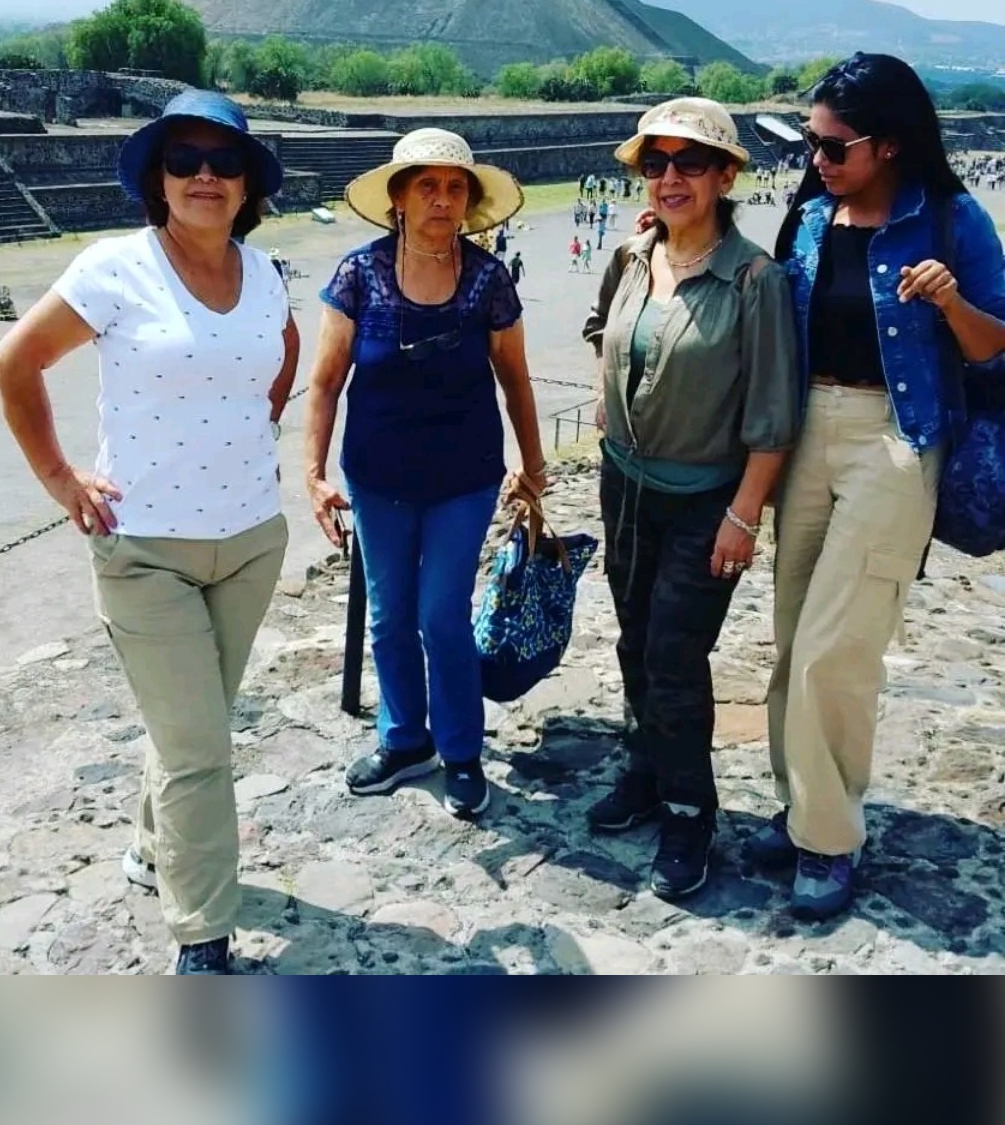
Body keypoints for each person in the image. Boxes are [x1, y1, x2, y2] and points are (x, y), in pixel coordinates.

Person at [0, 89, 299, 975]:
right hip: (146, 550)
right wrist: (62, 479)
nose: (204, 175)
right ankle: (203, 935)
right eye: (183, 159)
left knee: (192, 727)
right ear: (157, 179)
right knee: (202, 748)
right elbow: (15, 362)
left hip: (251, 541)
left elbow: (281, 355)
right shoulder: (114, 268)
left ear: (247, 184)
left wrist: (253, 431)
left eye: (224, 161)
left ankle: (150, 846)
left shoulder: (263, 273)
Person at [757, 53, 1005, 919]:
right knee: (793, 634)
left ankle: (829, 839)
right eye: (811, 143)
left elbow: (995, 347)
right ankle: (799, 804)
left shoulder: (950, 220)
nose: (817, 160)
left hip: (896, 439)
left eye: (835, 146)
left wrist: (949, 304)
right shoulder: (810, 218)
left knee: (839, 645)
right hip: (806, 435)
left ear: (890, 144)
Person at [583, 98, 799, 900]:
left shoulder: (754, 280)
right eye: (656, 163)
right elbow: (603, 330)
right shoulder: (632, 256)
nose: (670, 177)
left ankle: (688, 811)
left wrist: (744, 515)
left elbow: (774, 415)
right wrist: (610, 393)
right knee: (635, 642)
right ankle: (645, 770)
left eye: (690, 162)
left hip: (705, 500)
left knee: (675, 658)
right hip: (624, 486)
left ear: (726, 176)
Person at [304, 129, 546, 821]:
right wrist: (313, 474)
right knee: (389, 617)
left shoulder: (487, 280)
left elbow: (515, 378)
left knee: (441, 615)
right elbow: (325, 382)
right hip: (378, 477)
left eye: (455, 187)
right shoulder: (359, 274)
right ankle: (406, 739)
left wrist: (533, 466)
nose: (442, 199)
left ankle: (462, 751)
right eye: (427, 186)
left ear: (468, 201)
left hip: (464, 477)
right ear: (399, 199)